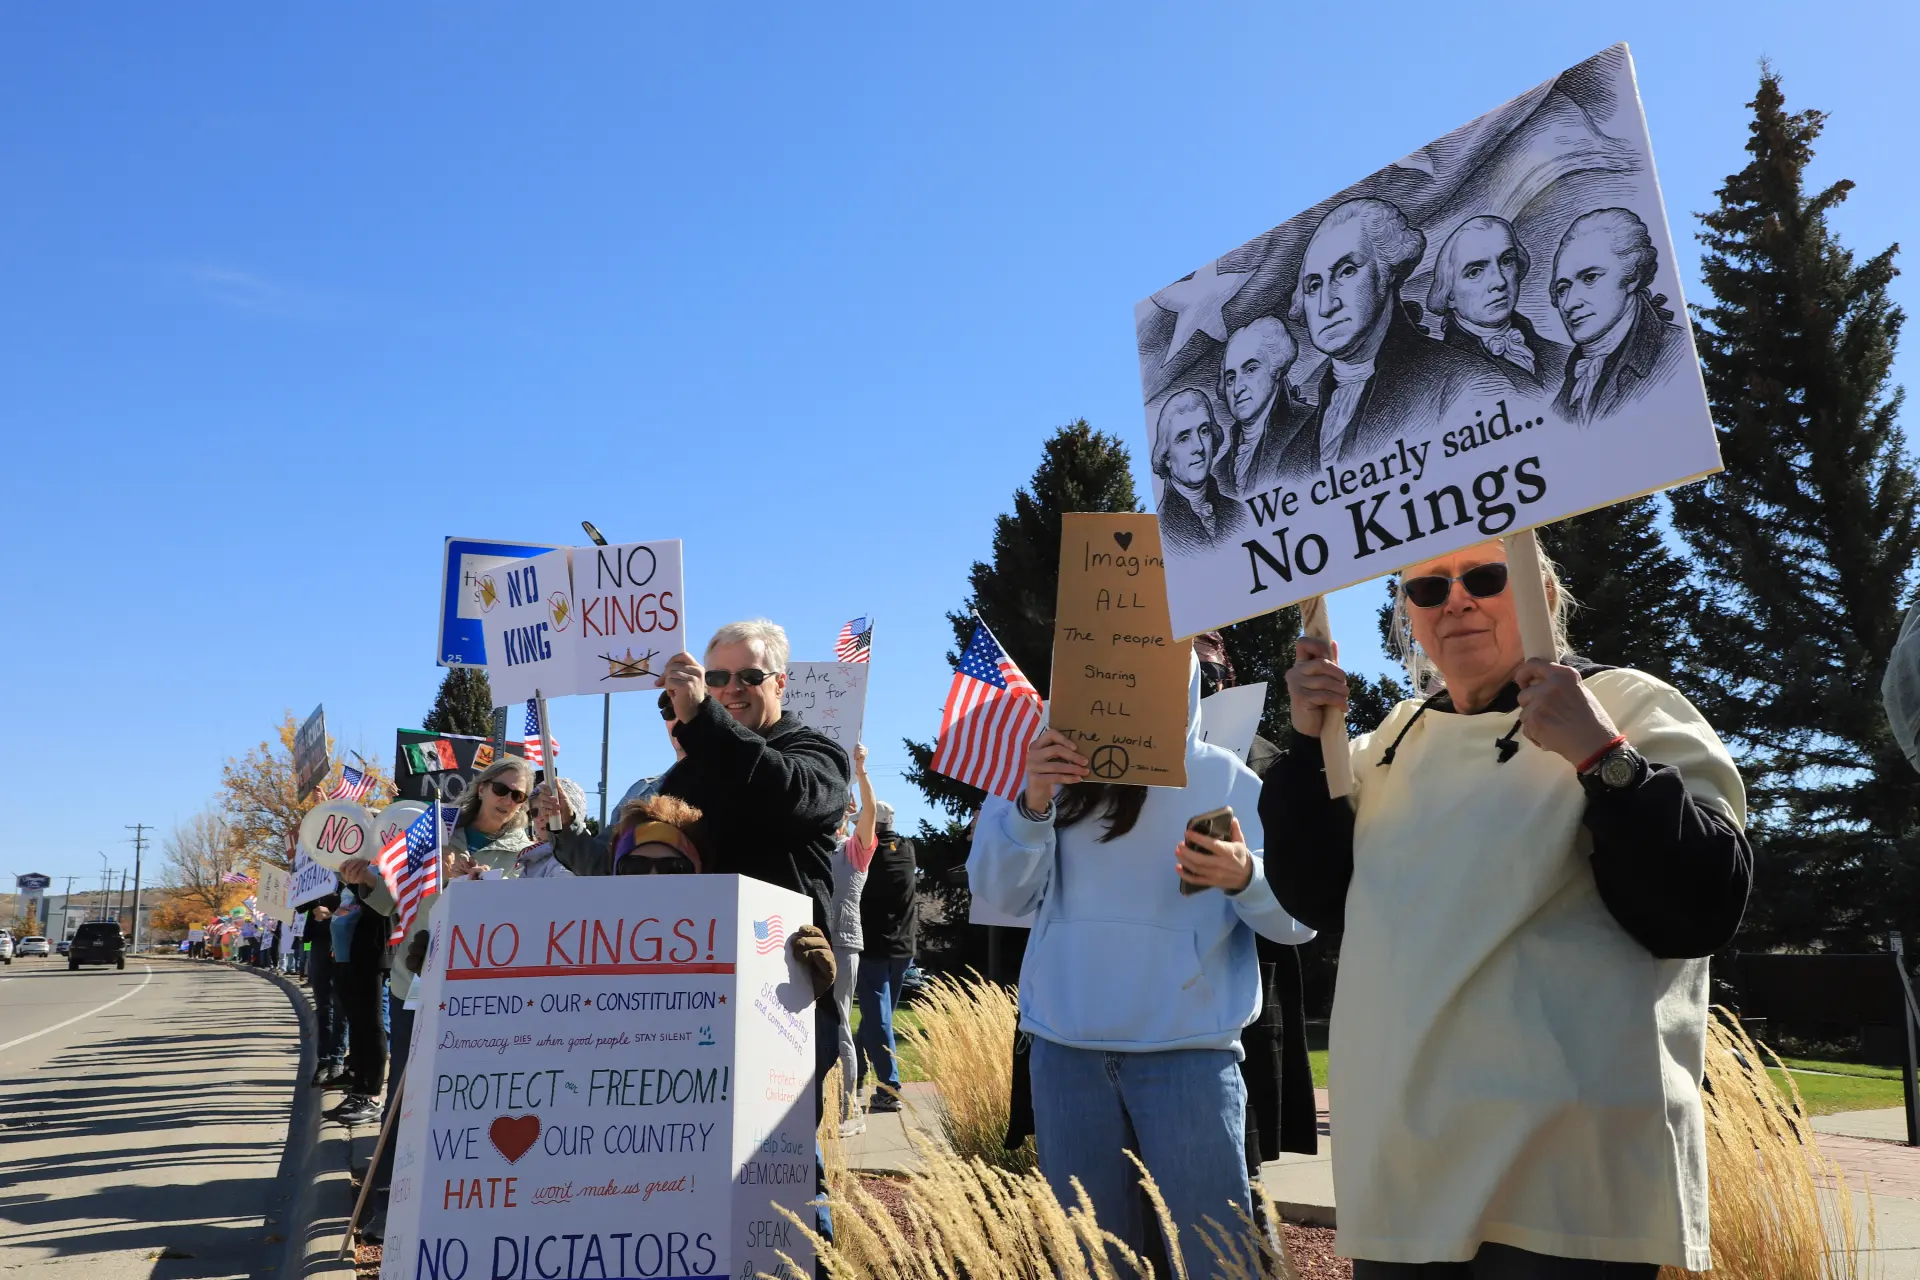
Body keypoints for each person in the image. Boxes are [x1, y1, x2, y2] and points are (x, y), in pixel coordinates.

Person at [1262, 540, 1751, 1275]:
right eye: (1428, 589)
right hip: (1406, 1178)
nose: (1455, 601)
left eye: (1485, 577)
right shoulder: (1390, 740)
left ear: (1542, 593)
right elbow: (1317, 895)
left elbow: (1701, 906)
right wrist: (1307, 745)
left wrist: (1602, 755)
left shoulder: (1631, 705)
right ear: (1408, 616)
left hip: (1565, 1183)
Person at [971, 657, 1314, 1276]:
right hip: (1067, 1054)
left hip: (1189, 1056)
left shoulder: (1228, 779)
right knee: (1096, 1261)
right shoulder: (1047, 771)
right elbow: (1000, 895)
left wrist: (1247, 877)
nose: (1126, 682)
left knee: (1218, 1259)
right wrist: (1032, 803)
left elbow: (1300, 921)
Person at [1290, 197, 1505, 469]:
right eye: (1313, 287)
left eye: (1347, 272)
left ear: (1387, 271)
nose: (1326, 306)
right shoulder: (1294, 451)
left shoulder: (1467, 384)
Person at [1550, 207, 1686, 422]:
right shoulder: (1565, 388)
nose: (1569, 303)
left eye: (1590, 278)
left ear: (1633, 276)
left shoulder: (1678, 354)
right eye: (1562, 289)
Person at [1426, 215, 1571, 391]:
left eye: (1506, 261)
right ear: (1449, 295)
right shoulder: (1439, 375)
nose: (1499, 281)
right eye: (1475, 272)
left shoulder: (1565, 357)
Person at [855, 780, 914, 1116]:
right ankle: (856, 1074)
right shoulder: (906, 850)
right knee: (877, 1018)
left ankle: (890, 1089)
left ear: (872, 826)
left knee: (878, 1020)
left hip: (874, 947)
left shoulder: (870, 857)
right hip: (903, 949)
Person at [830, 746, 878, 1134]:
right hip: (810, 944)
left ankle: (849, 1112)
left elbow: (870, 813)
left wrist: (860, 772)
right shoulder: (811, 847)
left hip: (843, 944)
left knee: (839, 1023)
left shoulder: (854, 850)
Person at [1214, 317, 1310, 498]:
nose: (1237, 389)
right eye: (1230, 379)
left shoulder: (1313, 426)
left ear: (1276, 368)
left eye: (1250, 370)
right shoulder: (1219, 474)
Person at [1152, 390, 1249, 554]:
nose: (1198, 447)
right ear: (1166, 457)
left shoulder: (1240, 513)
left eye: (1204, 431)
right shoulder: (1161, 532)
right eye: (1184, 438)